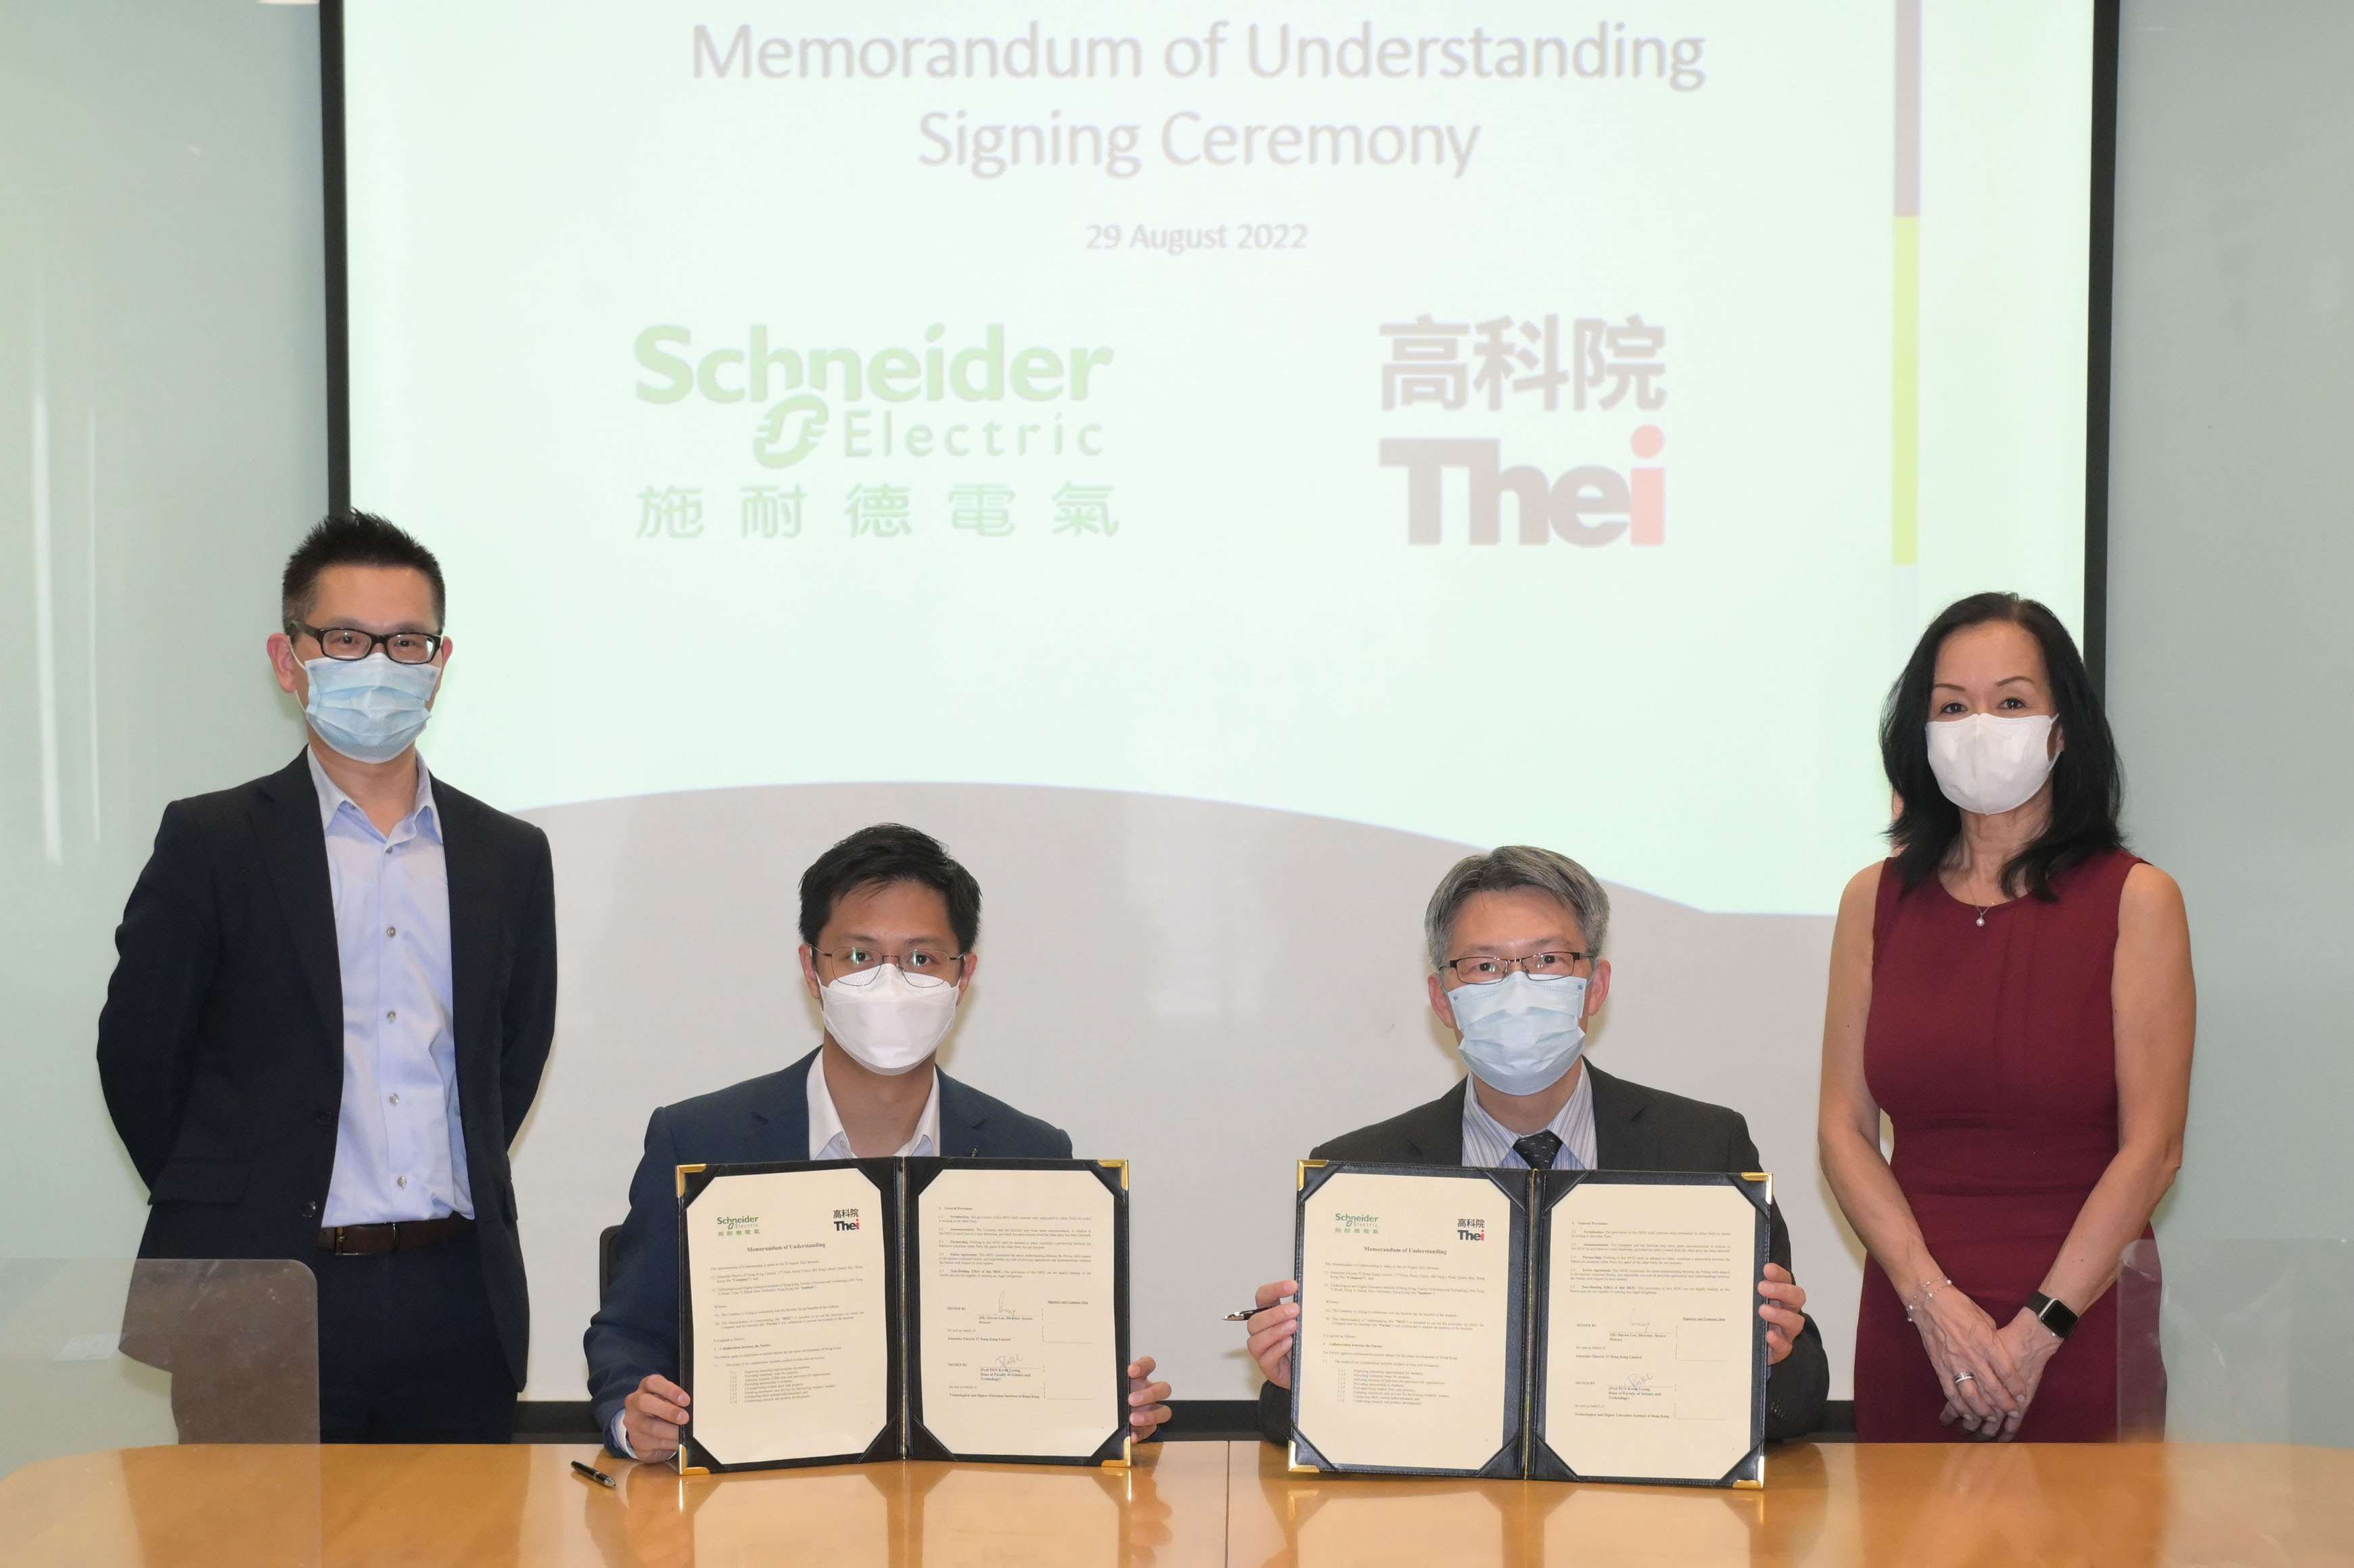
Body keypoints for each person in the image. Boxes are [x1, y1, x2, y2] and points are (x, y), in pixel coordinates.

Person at [97, 511, 557, 1442]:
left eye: (407, 641)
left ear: (440, 660)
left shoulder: (507, 853)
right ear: (288, 657)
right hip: (258, 1293)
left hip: (456, 1297)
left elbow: (514, 1049)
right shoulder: (214, 841)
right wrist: (242, 1196)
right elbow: (142, 1061)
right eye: (346, 638)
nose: (379, 662)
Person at [586, 823, 1174, 1461]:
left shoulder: (1030, 1151)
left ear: (963, 975)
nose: (889, 984)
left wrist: (1097, 1406)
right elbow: (628, 1334)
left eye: (921, 958)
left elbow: (1050, 1349)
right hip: (752, 1510)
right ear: (812, 969)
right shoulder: (698, 1137)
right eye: (860, 956)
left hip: (968, 1519)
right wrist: (633, 1420)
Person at [1241, 845, 1830, 1444]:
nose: (1517, 989)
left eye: (1547, 960)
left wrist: (1773, 1357)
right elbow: (1299, 1423)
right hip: (1438, 1519)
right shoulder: (1359, 1169)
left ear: (1595, 987)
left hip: (1641, 1515)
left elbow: (1802, 1394)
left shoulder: (1704, 1146)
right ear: (1443, 998)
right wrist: (1294, 1381)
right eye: (1485, 967)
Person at [1820, 593, 2193, 1442]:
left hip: (2081, 1323)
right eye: (1951, 706)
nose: (1979, 724)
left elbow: (2154, 1148)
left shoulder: (2138, 899)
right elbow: (1843, 1128)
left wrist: (2033, 1335)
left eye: (2012, 701)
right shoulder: (1871, 901)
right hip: (1916, 1325)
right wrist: (1932, 1304)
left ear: (2063, 732)